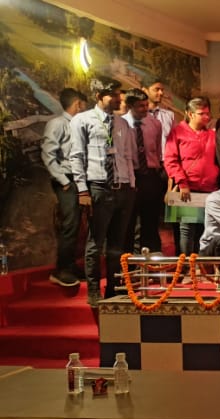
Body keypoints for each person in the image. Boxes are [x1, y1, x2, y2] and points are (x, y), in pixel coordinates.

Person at [68, 76, 136, 305]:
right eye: (113, 95)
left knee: (117, 243)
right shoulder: (82, 120)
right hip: (99, 187)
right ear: (99, 96)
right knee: (96, 242)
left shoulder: (122, 123)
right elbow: (76, 156)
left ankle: (114, 288)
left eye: (119, 94)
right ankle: (94, 289)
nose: (118, 99)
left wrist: (131, 185)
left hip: (123, 188)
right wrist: (82, 190)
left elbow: (127, 156)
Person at [41, 88, 87, 287]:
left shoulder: (79, 124)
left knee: (77, 224)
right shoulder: (58, 123)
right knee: (70, 223)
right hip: (67, 179)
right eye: (84, 105)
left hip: (79, 178)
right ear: (78, 104)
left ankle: (70, 264)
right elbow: (48, 154)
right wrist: (64, 181)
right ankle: (62, 269)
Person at [164, 97, 219, 256]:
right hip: (187, 188)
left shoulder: (212, 135)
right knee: (187, 228)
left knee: (203, 228)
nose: (206, 117)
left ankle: (200, 264)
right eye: (202, 113)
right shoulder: (178, 132)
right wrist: (182, 183)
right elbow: (170, 160)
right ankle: (187, 265)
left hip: (209, 188)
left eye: (208, 113)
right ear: (190, 114)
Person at [122, 88, 165, 254]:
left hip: (150, 175)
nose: (145, 109)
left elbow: (158, 150)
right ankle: (128, 259)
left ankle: (151, 256)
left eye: (146, 105)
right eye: (140, 106)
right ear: (130, 106)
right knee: (129, 220)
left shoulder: (155, 124)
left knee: (151, 219)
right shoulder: (121, 124)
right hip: (130, 175)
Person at [142, 78, 174, 150]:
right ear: (144, 90)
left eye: (162, 90)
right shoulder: (135, 115)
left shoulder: (169, 116)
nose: (161, 93)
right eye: (157, 89)